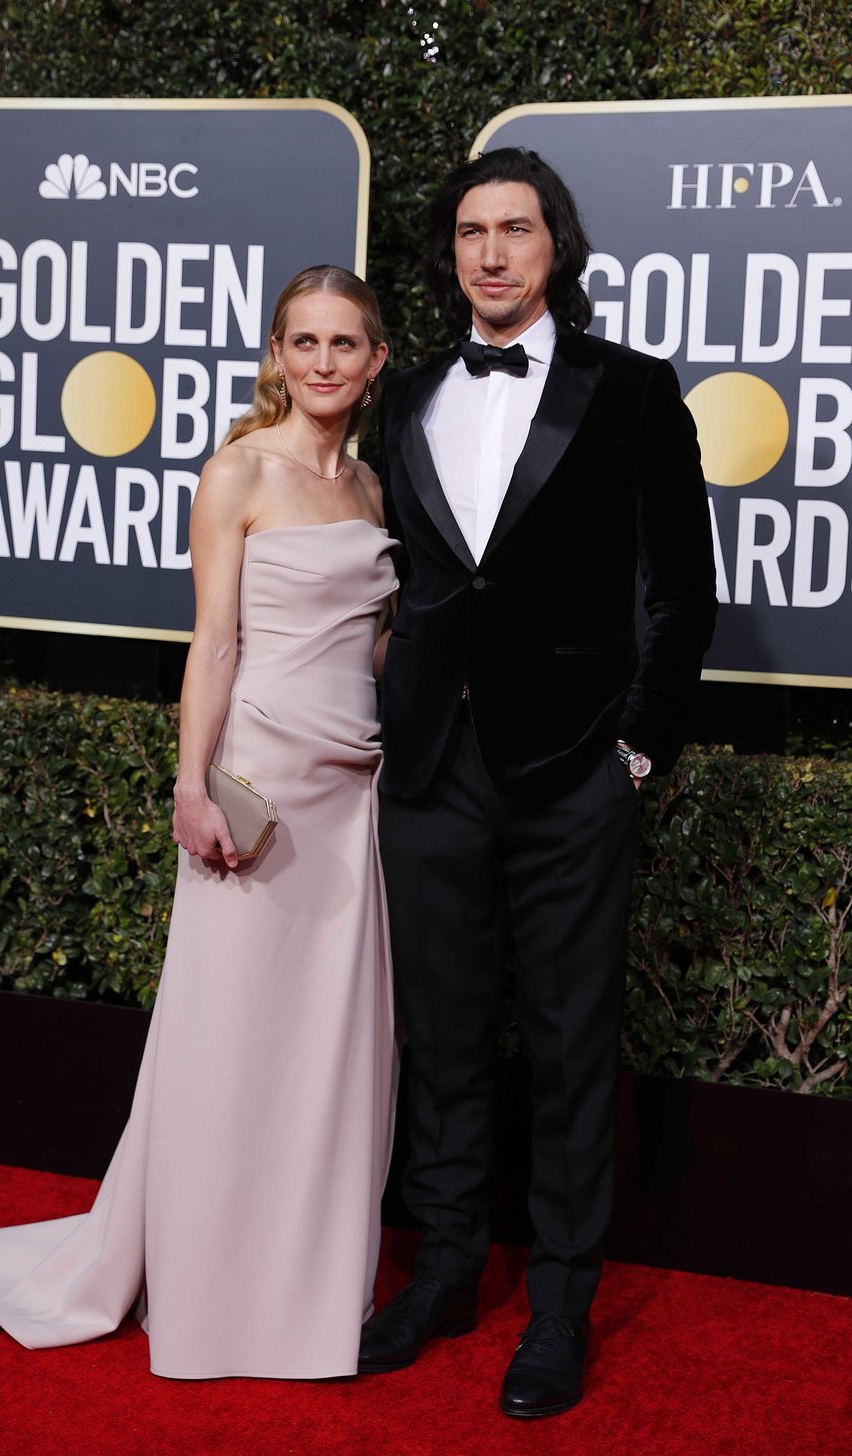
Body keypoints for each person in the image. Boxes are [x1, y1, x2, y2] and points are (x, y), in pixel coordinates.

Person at [0, 264, 398, 1380]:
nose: (325, 362)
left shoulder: (375, 490)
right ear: (278, 355)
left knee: (325, 1055)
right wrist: (193, 783)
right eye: (306, 342)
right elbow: (215, 643)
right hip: (259, 789)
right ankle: (206, 1289)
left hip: (350, 794)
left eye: (346, 343)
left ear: (376, 360)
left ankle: (302, 1287)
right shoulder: (238, 470)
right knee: (225, 1048)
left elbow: (375, 648)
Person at [358, 148, 717, 1417]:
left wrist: (634, 749)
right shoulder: (402, 400)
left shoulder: (630, 389)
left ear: (555, 245)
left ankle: (559, 1306)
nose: (491, 253)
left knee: (570, 1052)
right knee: (442, 1046)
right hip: (431, 775)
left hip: (573, 775)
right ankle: (446, 1269)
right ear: (451, 251)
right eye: (470, 231)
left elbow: (681, 591)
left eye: (515, 229)